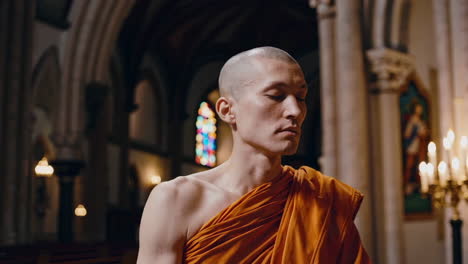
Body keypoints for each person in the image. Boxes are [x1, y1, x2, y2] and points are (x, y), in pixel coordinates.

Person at [137, 47, 370, 263]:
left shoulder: (323, 200)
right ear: (227, 110)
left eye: (300, 97)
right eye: (276, 96)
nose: (295, 111)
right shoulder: (176, 200)